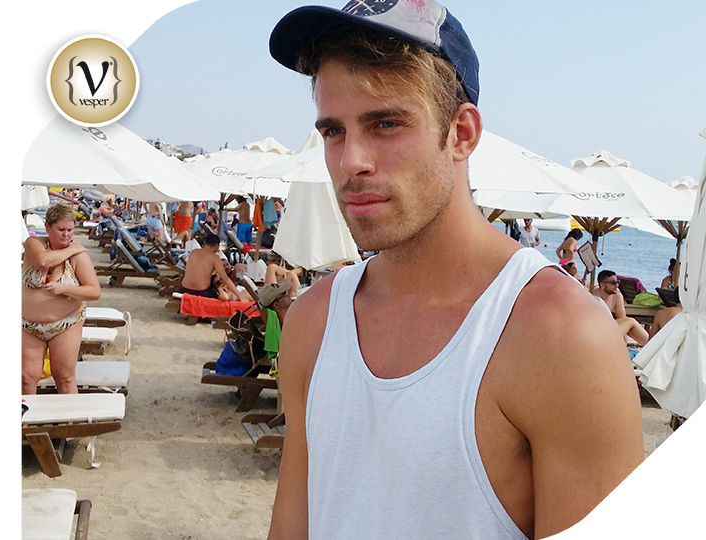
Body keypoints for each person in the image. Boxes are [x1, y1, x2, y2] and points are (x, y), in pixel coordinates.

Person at [266, 4, 644, 539]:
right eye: (333, 131)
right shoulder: (313, 321)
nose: (351, 161)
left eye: (386, 123)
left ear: (461, 133)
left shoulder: (560, 338)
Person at [22, 203, 101, 394]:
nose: (66, 235)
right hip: (29, 325)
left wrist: (63, 288)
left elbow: (94, 291)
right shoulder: (34, 244)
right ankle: (25, 414)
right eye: (61, 230)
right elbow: (43, 261)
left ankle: (70, 414)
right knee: (26, 377)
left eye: (70, 230)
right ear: (47, 227)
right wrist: (72, 249)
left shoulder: (79, 257)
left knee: (64, 377)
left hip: (66, 324)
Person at [592, 270, 649, 346]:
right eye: (613, 283)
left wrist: (624, 342)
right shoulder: (593, 294)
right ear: (602, 285)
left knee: (629, 321)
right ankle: (652, 345)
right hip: (595, 330)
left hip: (606, 327)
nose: (617, 285)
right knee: (631, 321)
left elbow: (622, 319)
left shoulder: (617, 296)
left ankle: (650, 345)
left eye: (618, 282)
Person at [179, 233, 244, 299]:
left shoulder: (193, 252)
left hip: (184, 289)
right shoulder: (215, 258)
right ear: (217, 246)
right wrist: (240, 296)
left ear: (205, 243)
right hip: (201, 291)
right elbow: (225, 279)